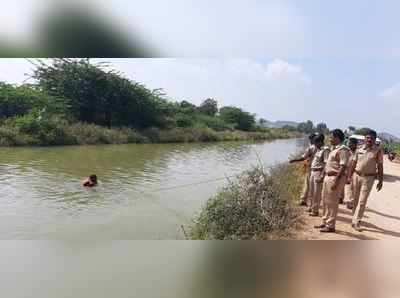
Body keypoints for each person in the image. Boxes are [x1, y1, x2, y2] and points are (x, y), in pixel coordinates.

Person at [314, 129, 350, 233]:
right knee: (325, 201)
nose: (329, 139)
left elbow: (343, 167)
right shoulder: (333, 149)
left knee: (332, 203)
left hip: (335, 178)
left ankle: (330, 225)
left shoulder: (343, 150)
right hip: (328, 177)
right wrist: (323, 176)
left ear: (337, 138)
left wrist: (336, 181)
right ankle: (325, 222)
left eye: (331, 137)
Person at [348, 129, 384, 231]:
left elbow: (380, 166)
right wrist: (349, 176)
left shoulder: (378, 151)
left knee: (362, 201)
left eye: (371, 138)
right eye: (367, 137)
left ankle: (357, 221)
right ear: (365, 138)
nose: (369, 140)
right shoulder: (359, 149)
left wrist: (380, 181)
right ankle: (354, 218)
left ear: (374, 139)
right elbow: (353, 163)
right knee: (355, 199)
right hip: (356, 176)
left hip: (369, 178)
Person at [289, 133, 317, 207]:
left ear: (312, 139)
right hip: (316, 170)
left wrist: (294, 160)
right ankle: (310, 201)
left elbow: (303, 157)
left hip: (311, 168)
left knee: (307, 184)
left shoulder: (312, 148)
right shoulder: (320, 148)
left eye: (310, 140)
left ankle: (304, 200)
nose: (310, 141)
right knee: (312, 186)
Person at [308, 134, 330, 216]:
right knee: (312, 191)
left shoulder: (325, 150)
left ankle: (315, 210)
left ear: (320, 142)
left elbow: (326, 164)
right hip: (313, 171)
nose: (314, 145)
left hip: (319, 172)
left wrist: (322, 176)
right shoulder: (318, 149)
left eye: (316, 143)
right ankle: (311, 207)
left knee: (317, 193)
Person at [345, 138, 358, 210]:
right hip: (345, 171)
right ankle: (341, 198)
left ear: (355, 144)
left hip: (353, 172)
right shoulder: (347, 151)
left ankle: (350, 202)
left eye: (350, 143)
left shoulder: (357, 152)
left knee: (351, 187)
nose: (349, 144)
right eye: (348, 143)